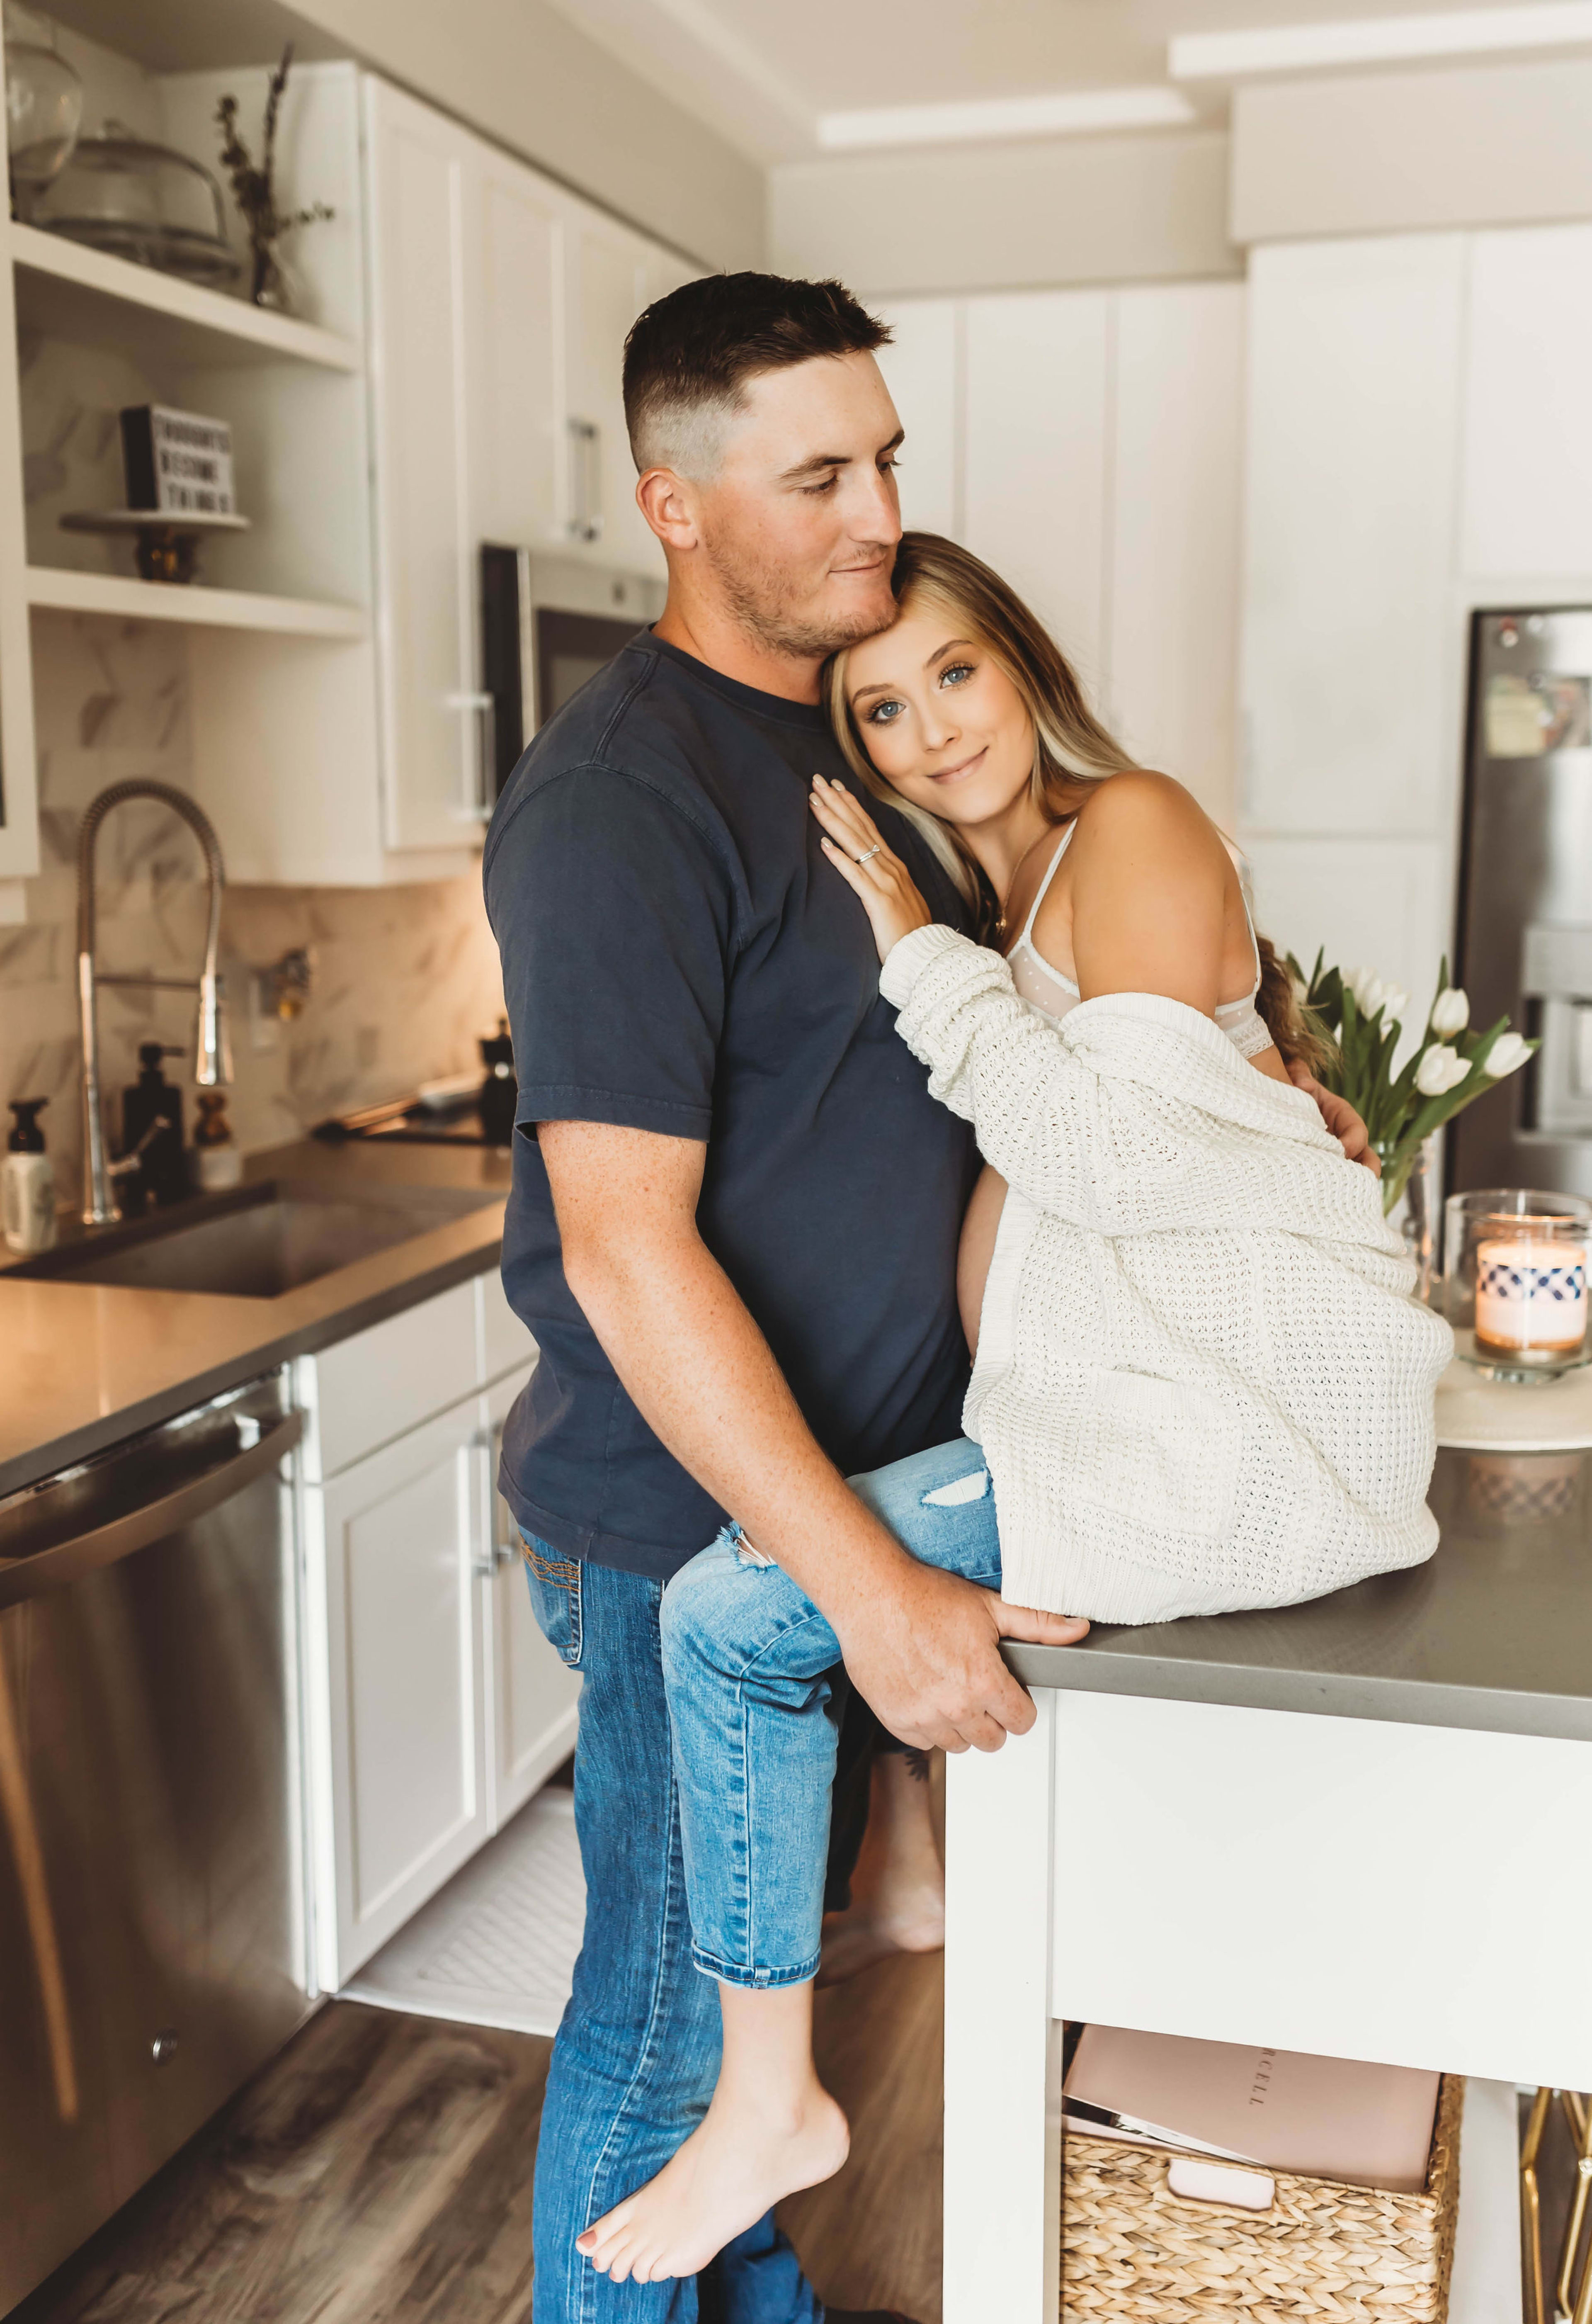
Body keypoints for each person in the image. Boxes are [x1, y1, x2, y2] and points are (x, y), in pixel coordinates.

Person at [486, 274, 1374, 2322]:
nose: (881, 506)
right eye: (821, 474)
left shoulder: (847, 724)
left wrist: (1257, 1084)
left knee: (741, 2024)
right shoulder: (621, 803)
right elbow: (627, 1248)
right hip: (687, 1518)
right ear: (677, 503)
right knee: (654, 2046)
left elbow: (1043, 1059)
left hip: (868, 1472)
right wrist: (875, 1594)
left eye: (887, 454)